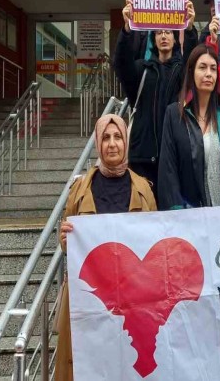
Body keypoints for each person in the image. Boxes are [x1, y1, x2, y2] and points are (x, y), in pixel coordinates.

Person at [56, 114, 158, 381]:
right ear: (97, 144)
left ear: (126, 142)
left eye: (118, 137)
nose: (112, 144)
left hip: (132, 301)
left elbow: (153, 240)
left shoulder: (143, 189)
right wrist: (65, 241)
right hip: (92, 299)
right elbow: (67, 236)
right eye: (105, 138)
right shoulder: (80, 188)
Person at [114, 0, 197, 195]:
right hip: (143, 158)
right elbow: (121, 64)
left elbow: (192, 63)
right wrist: (127, 30)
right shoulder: (141, 69)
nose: (164, 36)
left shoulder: (180, 71)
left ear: (175, 38)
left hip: (173, 157)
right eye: (159, 33)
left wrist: (190, 30)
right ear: (154, 39)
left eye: (168, 32)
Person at [158, 45, 220, 209]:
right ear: (191, 72)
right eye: (202, 67)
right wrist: (178, 210)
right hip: (189, 216)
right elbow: (168, 171)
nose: (208, 73)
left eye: (213, 69)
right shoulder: (174, 115)